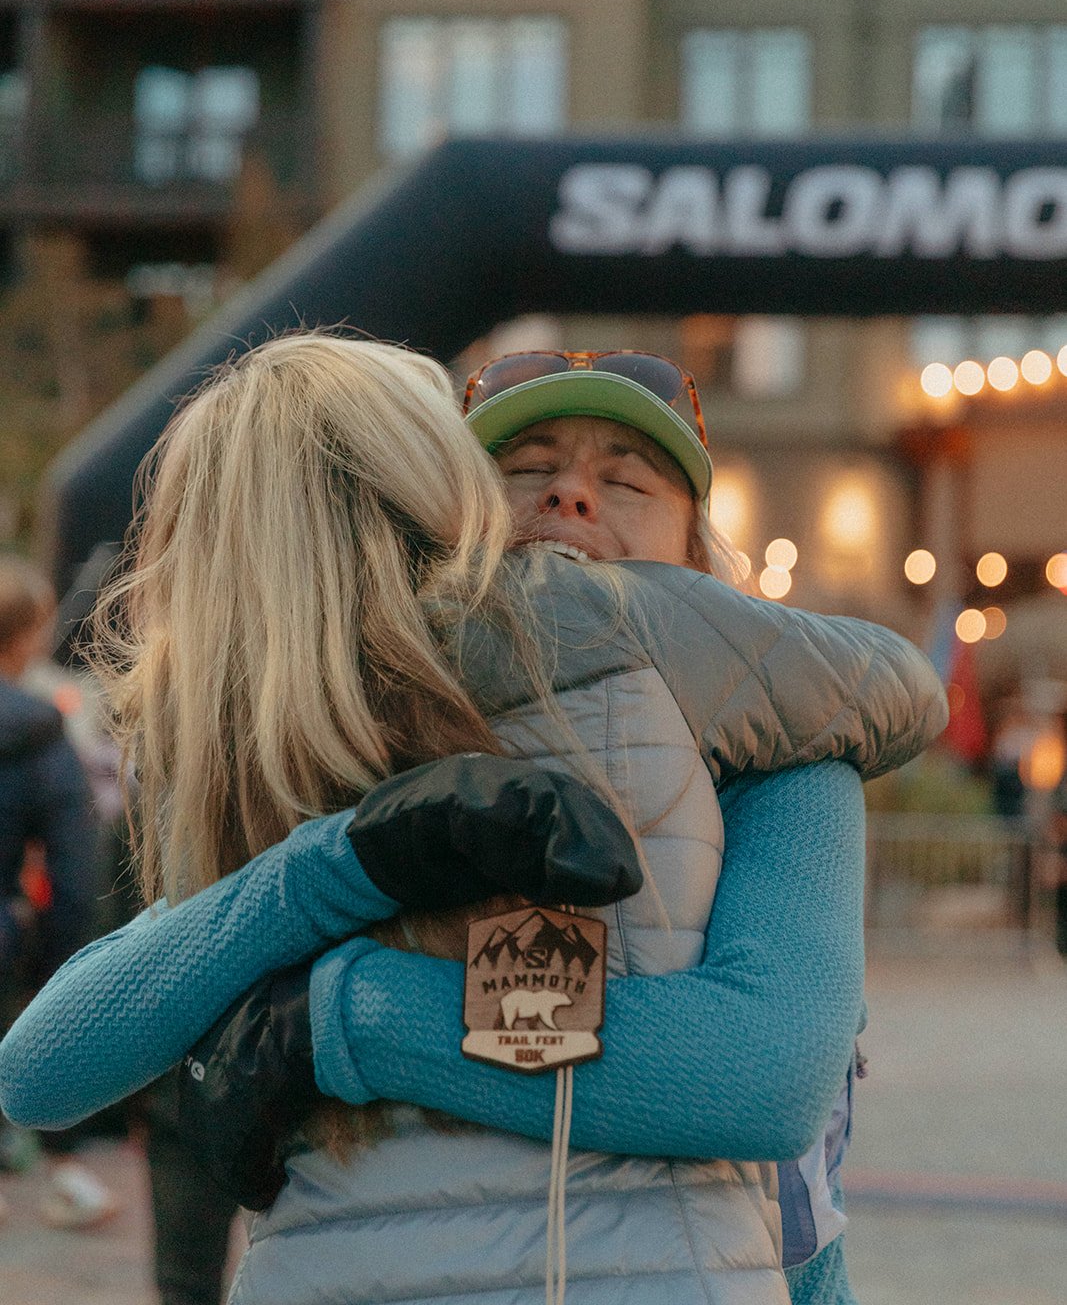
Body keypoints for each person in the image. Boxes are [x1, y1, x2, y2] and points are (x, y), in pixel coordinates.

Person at [0, 336, 947, 1304]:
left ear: (700, 557)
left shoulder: (783, 744)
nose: (570, 496)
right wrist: (336, 864)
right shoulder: (349, 722)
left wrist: (345, 1015)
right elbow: (39, 1063)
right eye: (525, 468)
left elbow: (763, 1078)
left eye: (626, 482)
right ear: (441, 517)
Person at [0, 553, 120, 1229]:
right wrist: (60, 959)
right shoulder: (42, 728)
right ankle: (64, 1172)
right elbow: (77, 869)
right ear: (26, 637)